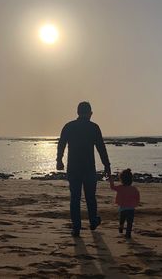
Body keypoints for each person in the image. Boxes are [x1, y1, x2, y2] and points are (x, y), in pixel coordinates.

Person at [56, 101, 111, 237]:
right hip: (88, 168)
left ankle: (76, 227)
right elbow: (101, 148)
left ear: (77, 112)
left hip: (73, 168)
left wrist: (59, 160)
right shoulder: (94, 128)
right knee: (90, 197)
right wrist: (107, 166)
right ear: (90, 113)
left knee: (75, 198)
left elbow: (61, 144)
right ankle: (93, 220)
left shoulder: (69, 126)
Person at [109, 168, 140, 238]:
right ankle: (128, 234)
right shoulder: (134, 189)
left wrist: (111, 179)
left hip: (123, 208)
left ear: (121, 179)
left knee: (122, 220)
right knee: (130, 222)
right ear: (131, 179)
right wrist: (136, 203)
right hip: (131, 209)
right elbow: (137, 197)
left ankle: (121, 227)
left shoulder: (120, 187)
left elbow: (112, 187)